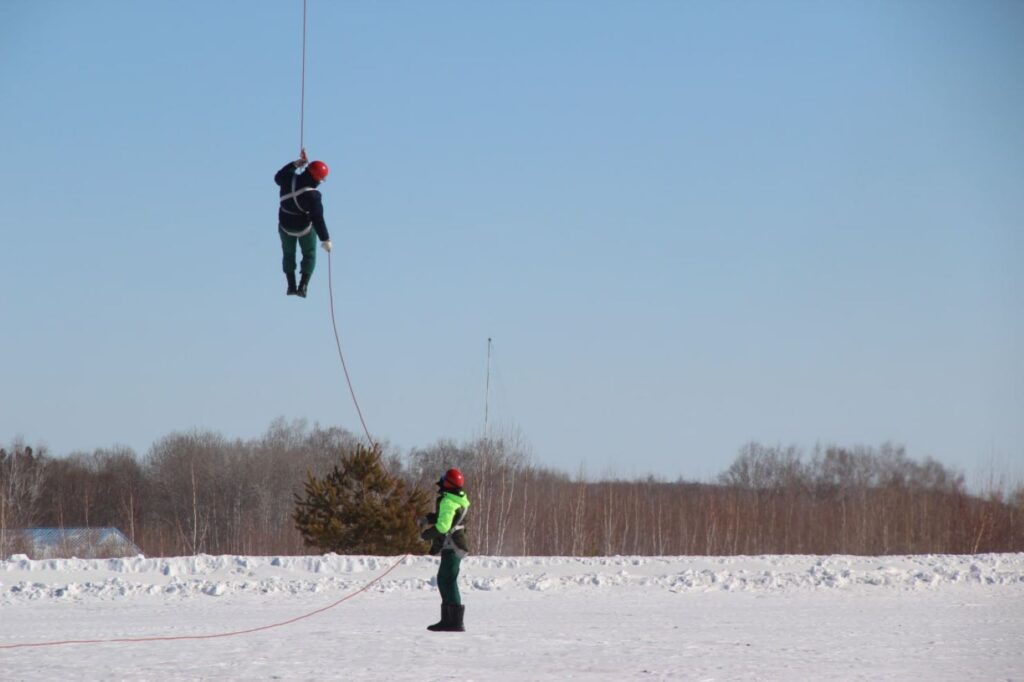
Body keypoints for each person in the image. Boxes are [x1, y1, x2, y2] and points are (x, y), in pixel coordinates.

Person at [418, 468, 471, 632]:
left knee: (447, 580)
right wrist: (428, 518)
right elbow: (445, 516)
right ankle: (447, 620)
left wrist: (424, 536)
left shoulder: (448, 501)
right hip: (453, 544)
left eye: (443, 479)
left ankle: (454, 622)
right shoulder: (455, 499)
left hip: (453, 544)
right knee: (444, 580)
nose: (441, 481)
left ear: (448, 484)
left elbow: (443, 526)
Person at [274, 149, 331, 298]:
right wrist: (325, 239)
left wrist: (295, 164)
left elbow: (277, 177)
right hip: (304, 229)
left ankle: (291, 286)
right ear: (318, 179)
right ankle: (303, 286)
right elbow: (318, 219)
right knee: (309, 254)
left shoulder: (288, 179)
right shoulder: (313, 196)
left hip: (285, 227)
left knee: (288, 253)